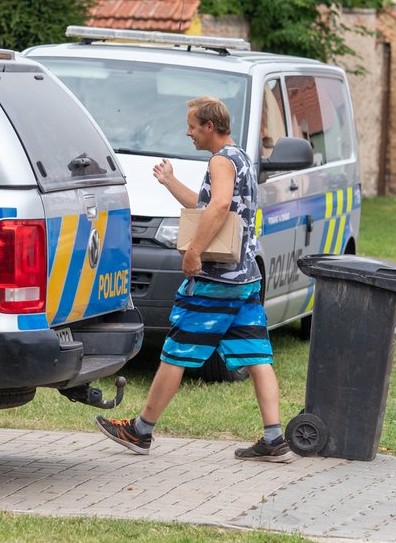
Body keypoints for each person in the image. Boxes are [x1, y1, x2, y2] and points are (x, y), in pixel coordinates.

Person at [95, 95, 292, 462]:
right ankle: (274, 436)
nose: (188, 132)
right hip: (244, 278)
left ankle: (141, 431)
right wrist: (170, 182)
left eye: (192, 126)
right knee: (256, 354)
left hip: (215, 280)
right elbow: (207, 208)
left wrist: (193, 251)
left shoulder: (220, 161)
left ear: (210, 127)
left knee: (176, 352)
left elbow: (218, 208)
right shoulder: (239, 158)